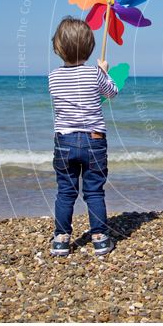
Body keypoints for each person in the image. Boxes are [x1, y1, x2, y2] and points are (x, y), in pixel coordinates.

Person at [47, 16, 119, 257]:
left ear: (58, 48)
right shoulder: (94, 74)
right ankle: (99, 238)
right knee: (94, 191)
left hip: (65, 141)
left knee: (65, 191)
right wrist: (104, 72)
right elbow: (111, 93)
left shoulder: (53, 77)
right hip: (94, 140)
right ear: (90, 48)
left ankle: (61, 240)